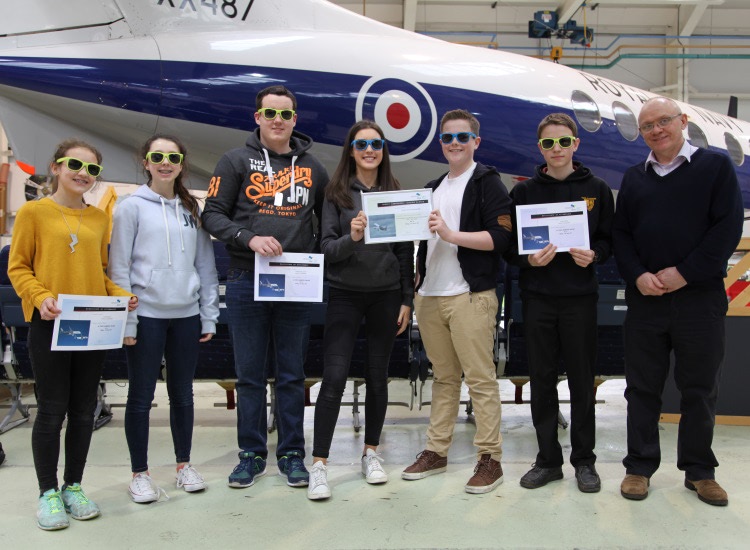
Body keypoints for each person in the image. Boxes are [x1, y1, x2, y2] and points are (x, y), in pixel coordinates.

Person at [612, 97, 743, 506]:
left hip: (699, 300)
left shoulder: (715, 167)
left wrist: (684, 273)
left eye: (663, 121)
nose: (656, 130)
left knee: (699, 389)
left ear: (683, 121)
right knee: (641, 389)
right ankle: (639, 467)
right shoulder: (634, 178)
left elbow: (727, 229)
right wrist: (638, 276)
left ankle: (700, 471)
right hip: (646, 301)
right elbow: (621, 236)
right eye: (647, 126)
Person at [202, 85, 328, 489]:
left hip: (295, 281)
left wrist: (318, 258)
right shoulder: (234, 161)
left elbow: (329, 222)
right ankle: (251, 455)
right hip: (246, 278)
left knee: (292, 374)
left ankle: (292, 454)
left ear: (295, 119)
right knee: (250, 375)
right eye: (270, 113)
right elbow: (212, 215)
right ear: (257, 117)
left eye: (285, 114)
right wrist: (248, 238)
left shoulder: (314, 168)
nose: (278, 120)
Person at [8, 139, 137, 530]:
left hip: (91, 326)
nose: (84, 174)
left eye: (92, 169)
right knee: (52, 410)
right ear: (56, 167)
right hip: (50, 325)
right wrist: (41, 297)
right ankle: (47, 492)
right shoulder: (33, 212)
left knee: (84, 410)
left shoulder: (98, 219)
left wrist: (120, 295)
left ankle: (73, 486)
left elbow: (100, 273)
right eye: (75, 165)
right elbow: (18, 268)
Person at [401, 109, 513, 494]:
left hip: (469, 295)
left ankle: (490, 458)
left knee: (480, 378)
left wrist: (451, 235)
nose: (454, 143)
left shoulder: (488, 183)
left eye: (462, 137)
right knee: (444, 379)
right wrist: (417, 277)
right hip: (430, 296)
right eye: (448, 137)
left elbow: (501, 239)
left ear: (475, 142)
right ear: (441, 143)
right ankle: (436, 451)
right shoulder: (431, 187)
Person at [505, 113, 614, 493]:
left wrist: (595, 255)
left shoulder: (597, 189)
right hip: (538, 300)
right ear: (540, 148)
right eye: (549, 143)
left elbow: (609, 239)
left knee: (583, 383)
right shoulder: (523, 194)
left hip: (580, 300)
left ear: (575, 144)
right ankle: (548, 461)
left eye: (564, 142)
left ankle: (585, 461)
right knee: (542, 382)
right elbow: (509, 249)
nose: (557, 149)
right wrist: (528, 261)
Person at [108, 135, 220, 503]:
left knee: (183, 394)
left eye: (173, 157)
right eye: (158, 156)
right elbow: (118, 267)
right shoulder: (130, 207)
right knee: (140, 396)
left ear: (182, 164)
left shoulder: (192, 208)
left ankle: (183, 465)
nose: (165, 163)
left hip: (186, 316)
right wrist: (127, 321)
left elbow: (205, 265)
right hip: (146, 316)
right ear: (146, 162)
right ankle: (139, 474)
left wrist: (208, 316)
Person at [307, 121, 414, 500]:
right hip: (345, 295)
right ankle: (319, 463)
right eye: (362, 144)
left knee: (378, 376)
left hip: (386, 296)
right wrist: (352, 238)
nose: (370, 150)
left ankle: (371, 453)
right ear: (351, 150)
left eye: (376, 144)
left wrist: (407, 299)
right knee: (334, 377)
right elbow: (327, 249)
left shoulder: (395, 193)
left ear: (383, 150)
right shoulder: (335, 194)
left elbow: (405, 251)